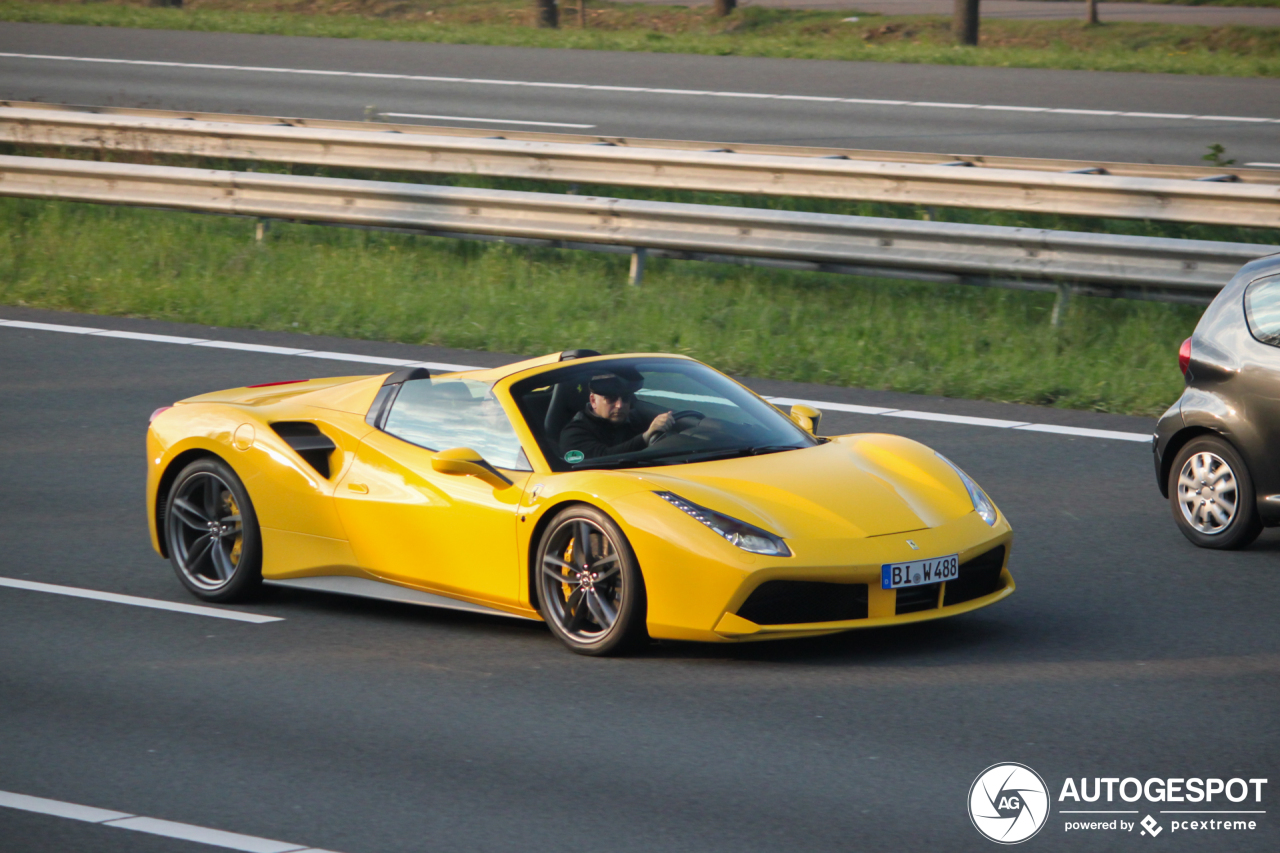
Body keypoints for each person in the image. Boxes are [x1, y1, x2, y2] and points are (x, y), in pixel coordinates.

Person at [559, 373, 674, 460]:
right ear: (593, 400)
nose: (619, 405)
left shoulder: (637, 421)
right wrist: (646, 437)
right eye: (611, 399)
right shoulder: (574, 434)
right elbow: (603, 457)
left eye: (625, 399)